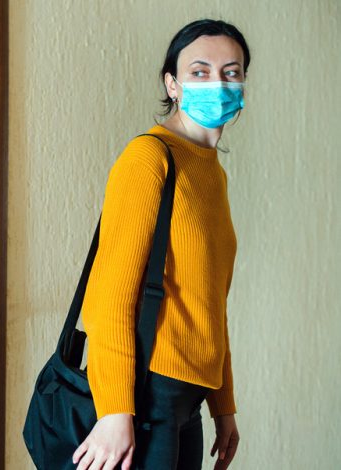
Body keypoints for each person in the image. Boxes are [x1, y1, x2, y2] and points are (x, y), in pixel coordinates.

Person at [71, 19, 249, 470]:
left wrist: (222, 405)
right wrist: (114, 411)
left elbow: (210, 303)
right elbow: (108, 294)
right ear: (172, 84)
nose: (218, 83)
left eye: (231, 72)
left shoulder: (211, 172)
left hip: (188, 398)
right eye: (200, 71)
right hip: (148, 395)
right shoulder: (149, 158)